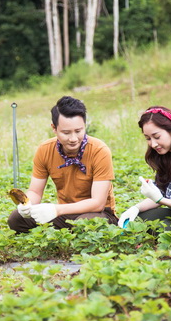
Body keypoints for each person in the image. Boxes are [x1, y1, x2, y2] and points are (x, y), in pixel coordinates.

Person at [8, 96, 118, 233]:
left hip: (99, 213)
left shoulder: (99, 151)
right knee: (16, 219)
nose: (73, 139)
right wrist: (27, 204)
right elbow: (35, 191)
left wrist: (56, 209)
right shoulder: (45, 150)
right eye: (66, 133)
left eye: (78, 131)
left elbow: (98, 203)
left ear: (85, 126)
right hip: (65, 213)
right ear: (54, 128)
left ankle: (70, 236)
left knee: (85, 224)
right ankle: (63, 235)